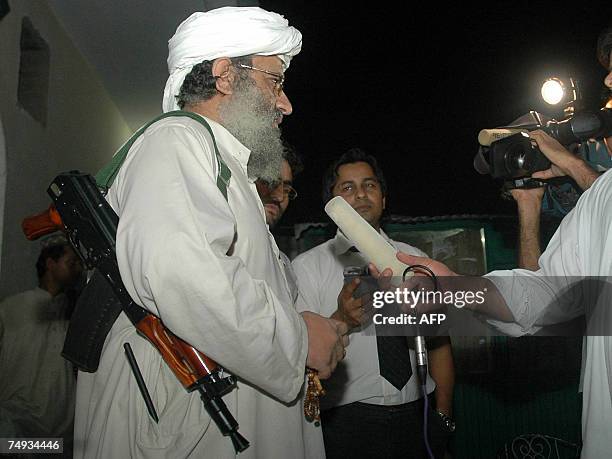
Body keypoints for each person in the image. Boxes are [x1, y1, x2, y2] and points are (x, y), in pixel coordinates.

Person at [73, 7, 348, 459]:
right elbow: (179, 272)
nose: (285, 103)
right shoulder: (178, 140)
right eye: (274, 80)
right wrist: (297, 339)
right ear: (225, 75)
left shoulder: (226, 168)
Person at [388, 37, 612, 454]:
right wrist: (455, 286)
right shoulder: (601, 197)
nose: (610, 81)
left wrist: (571, 163)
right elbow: (543, 293)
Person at [292, 148, 455, 459]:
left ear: (383, 198)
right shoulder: (308, 267)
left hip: (418, 415)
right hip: (345, 422)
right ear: (332, 203)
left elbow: (440, 343)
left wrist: (443, 417)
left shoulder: (415, 261)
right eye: (348, 188)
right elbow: (300, 353)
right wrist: (341, 317)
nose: (361, 195)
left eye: (370, 185)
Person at [0, 236, 83, 453]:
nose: (78, 269)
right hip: (18, 425)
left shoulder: (76, 314)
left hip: (63, 432)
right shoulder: (11, 308)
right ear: (50, 263)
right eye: (71, 263)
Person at [256, 143, 303, 301]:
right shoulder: (224, 248)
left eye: (286, 189)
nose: (280, 197)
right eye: (270, 182)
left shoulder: (285, 267)